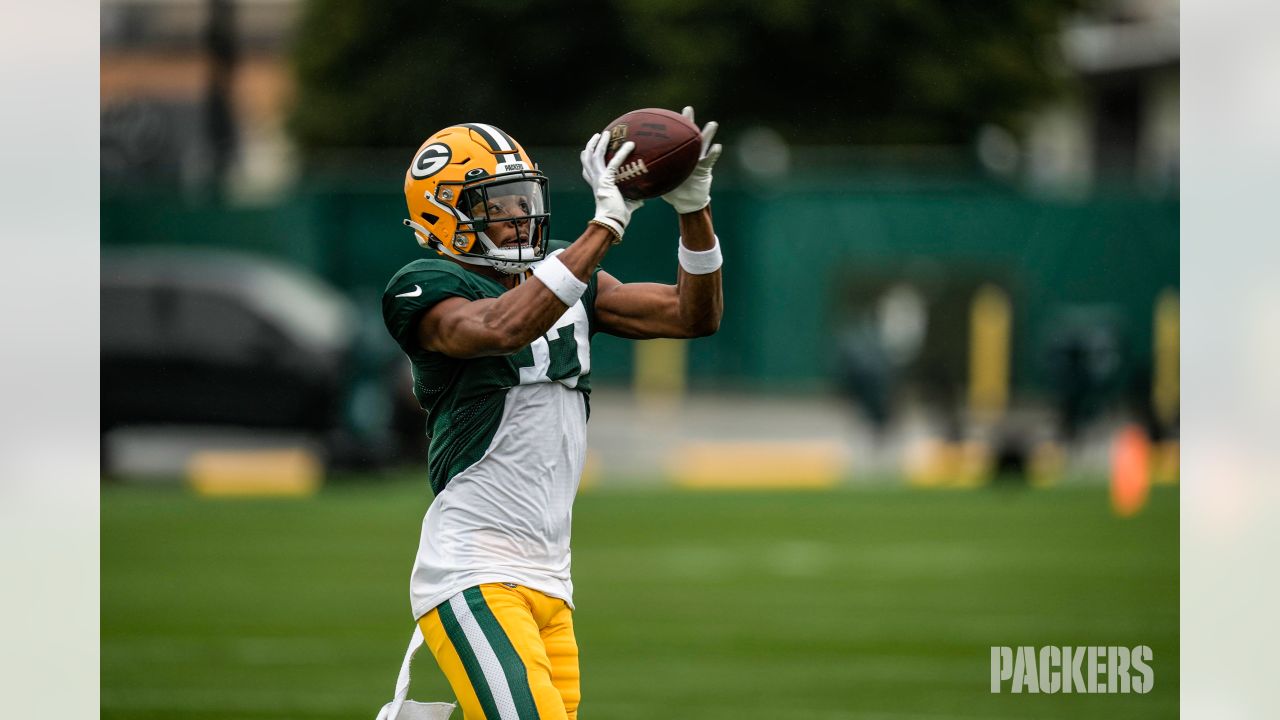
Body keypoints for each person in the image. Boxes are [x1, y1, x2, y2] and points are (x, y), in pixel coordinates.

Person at [376, 110, 724, 720]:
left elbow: (692, 316)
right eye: (498, 206)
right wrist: (605, 225)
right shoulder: (425, 286)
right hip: (473, 570)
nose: (519, 217)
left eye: (522, 198)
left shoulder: (566, 273)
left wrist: (692, 209)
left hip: (550, 579)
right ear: (443, 214)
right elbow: (504, 326)